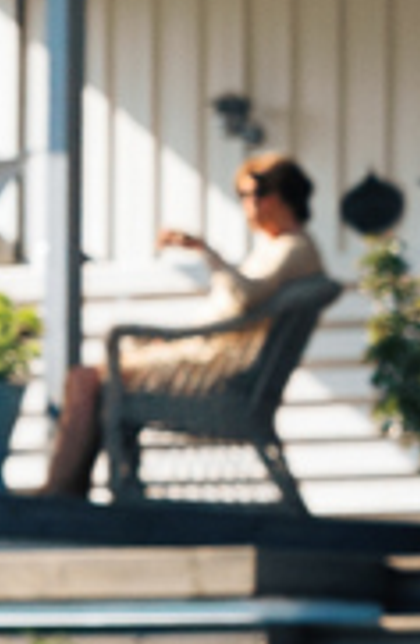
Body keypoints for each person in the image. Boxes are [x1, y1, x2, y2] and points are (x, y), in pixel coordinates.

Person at [37, 155, 328, 496]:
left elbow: (246, 297)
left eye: (255, 194)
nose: (249, 205)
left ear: (280, 196)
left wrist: (208, 252)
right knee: (93, 380)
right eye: (243, 196)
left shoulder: (293, 248)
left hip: (212, 373)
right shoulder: (279, 249)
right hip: (206, 361)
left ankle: (60, 492)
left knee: (86, 380)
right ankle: (89, 490)